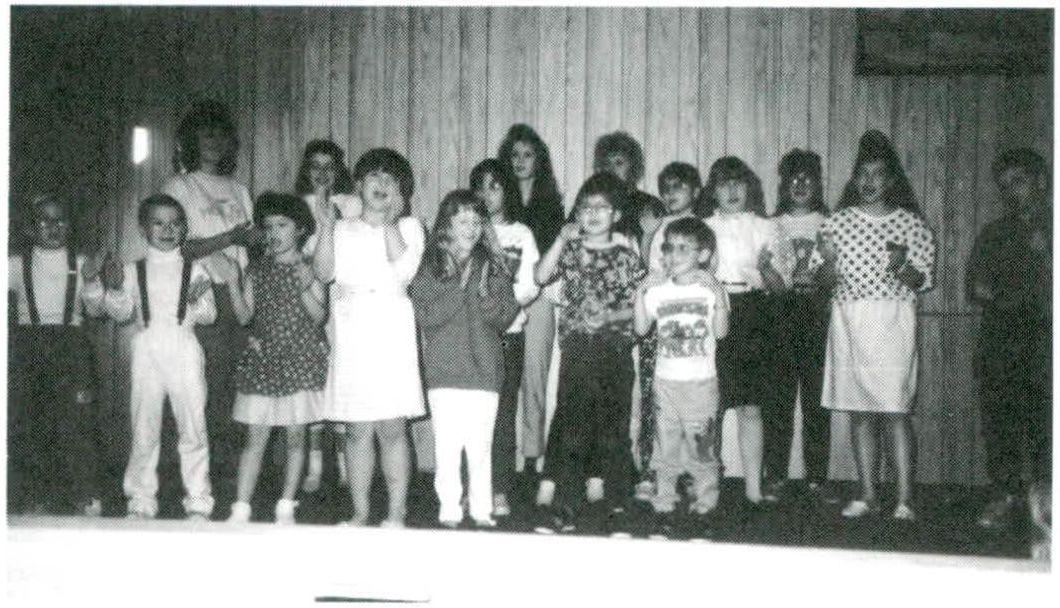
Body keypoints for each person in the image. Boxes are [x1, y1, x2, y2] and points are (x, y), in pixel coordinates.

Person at [816, 130, 936, 521]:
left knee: (895, 411)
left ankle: (904, 500)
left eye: (878, 174)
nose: (869, 182)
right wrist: (829, 261)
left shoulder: (912, 225)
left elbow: (921, 281)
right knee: (860, 411)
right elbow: (822, 281)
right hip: (850, 321)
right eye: (863, 174)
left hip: (892, 324)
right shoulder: (836, 223)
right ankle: (867, 494)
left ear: (891, 180)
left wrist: (900, 266)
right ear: (854, 179)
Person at [314, 148, 425, 528]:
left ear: (401, 190)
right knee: (357, 428)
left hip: (391, 327)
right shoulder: (341, 228)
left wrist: (390, 221)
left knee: (392, 426)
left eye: (391, 178)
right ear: (358, 185)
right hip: (352, 330)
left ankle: (396, 512)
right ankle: (360, 512)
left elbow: (406, 271)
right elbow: (324, 273)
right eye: (374, 176)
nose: (382, 184)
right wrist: (325, 227)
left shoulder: (410, 227)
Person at [532, 172, 646, 534]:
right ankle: (566, 504)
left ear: (616, 215)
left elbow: (642, 306)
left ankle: (616, 504)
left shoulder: (626, 256)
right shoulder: (570, 250)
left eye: (602, 207)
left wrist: (610, 316)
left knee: (614, 429)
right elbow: (540, 276)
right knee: (572, 426)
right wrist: (559, 239)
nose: (593, 213)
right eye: (586, 207)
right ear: (577, 214)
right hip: (578, 349)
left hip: (614, 350)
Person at [161, 100, 259, 494]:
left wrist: (251, 246)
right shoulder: (179, 187)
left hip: (237, 294)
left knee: (236, 381)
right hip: (200, 295)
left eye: (220, 135)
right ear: (191, 141)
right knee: (201, 383)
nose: (214, 142)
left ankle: (228, 470)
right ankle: (190, 471)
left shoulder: (239, 190)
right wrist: (229, 238)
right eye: (205, 135)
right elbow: (175, 246)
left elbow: (249, 246)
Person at [102, 194, 217, 520]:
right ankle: (140, 498)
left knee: (193, 425)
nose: (167, 230)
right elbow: (121, 313)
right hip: (147, 348)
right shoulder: (131, 269)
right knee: (144, 425)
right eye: (158, 223)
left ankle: (198, 498)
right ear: (143, 229)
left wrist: (196, 303)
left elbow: (209, 315)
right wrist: (115, 289)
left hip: (184, 347)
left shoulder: (196, 269)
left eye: (175, 223)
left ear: (184, 228)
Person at [410, 190, 520, 528]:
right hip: (444, 373)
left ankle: (482, 509)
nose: (471, 229)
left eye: (477, 221)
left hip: (485, 373)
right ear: (446, 225)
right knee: (447, 447)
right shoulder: (431, 266)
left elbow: (505, 315)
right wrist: (459, 287)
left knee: (481, 447)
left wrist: (487, 296)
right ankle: (449, 508)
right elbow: (426, 316)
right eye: (463, 221)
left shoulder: (493, 264)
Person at [226, 193, 328, 525]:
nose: (273, 233)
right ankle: (241, 506)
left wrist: (306, 285)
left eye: (282, 226)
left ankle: (286, 504)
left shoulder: (311, 268)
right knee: (255, 438)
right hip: (265, 360)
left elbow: (319, 316)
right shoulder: (257, 269)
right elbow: (245, 316)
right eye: (268, 227)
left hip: (299, 359)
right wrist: (233, 282)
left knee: (296, 437)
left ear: (300, 229)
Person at [966, 148, 1051, 529]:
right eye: (1004, 186)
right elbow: (976, 288)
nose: (1011, 192)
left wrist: (1044, 258)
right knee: (1000, 429)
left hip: (1045, 345)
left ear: (1041, 181)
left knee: (1046, 429)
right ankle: (1004, 498)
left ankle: (1047, 507)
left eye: (1019, 181)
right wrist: (1017, 294)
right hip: (1000, 345)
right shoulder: (994, 233)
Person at [7, 194, 106, 516]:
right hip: (29, 345)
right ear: (30, 228)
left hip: (71, 346)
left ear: (70, 226)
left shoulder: (80, 261)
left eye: (60, 220)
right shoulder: (16, 263)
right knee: (31, 420)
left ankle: (85, 494)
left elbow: (95, 309)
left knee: (76, 421)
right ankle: (35, 496)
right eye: (44, 221)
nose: (53, 227)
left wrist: (92, 281)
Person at [699, 156, 785, 510]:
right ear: (712, 192)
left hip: (752, 316)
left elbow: (780, 287)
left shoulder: (766, 228)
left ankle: (753, 489)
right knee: (710, 407)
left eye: (738, 182)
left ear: (750, 187)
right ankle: (707, 487)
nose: (732, 190)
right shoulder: (702, 227)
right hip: (711, 312)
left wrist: (766, 271)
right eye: (723, 184)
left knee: (751, 407)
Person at [635, 217, 729, 536]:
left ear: (703, 255)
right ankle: (665, 498)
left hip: (701, 384)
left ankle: (706, 500)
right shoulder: (659, 291)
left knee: (702, 446)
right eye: (668, 248)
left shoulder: (709, 291)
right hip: (666, 382)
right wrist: (640, 291)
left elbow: (722, 332)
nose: (673, 255)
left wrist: (718, 293)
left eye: (683, 249)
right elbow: (640, 329)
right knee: (666, 444)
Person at [470, 158, 541, 518]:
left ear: (507, 191)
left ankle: (499, 487)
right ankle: (472, 487)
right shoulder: (466, 229)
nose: (486, 194)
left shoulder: (521, 234)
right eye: (479, 186)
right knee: (472, 415)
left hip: (507, 335)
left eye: (494, 186)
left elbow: (530, 285)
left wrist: (503, 306)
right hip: (471, 336)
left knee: (502, 414)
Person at [760, 149, 832, 503]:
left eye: (808, 178)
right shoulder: (770, 224)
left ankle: (816, 476)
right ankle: (775, 474)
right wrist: (769, 273)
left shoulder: (830, 223)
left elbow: (834, 276)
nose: (800, 184)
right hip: (780, 315)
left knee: (816, 400)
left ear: (818, 184)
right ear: (784, 185)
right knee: (778, 398)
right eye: (794, 178)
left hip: (817, 314)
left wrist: (822, 277)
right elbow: (768, 275)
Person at [496, 124, 564, 474]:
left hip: (538, 299)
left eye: (528, 155)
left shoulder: (551, 205)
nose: (520, 161)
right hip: (499, 299)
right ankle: (499, 458)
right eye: (514, 155)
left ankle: (533, 455)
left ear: (539, 160)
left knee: (534, 377)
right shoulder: (496, 204)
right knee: (501, 379)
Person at [292, 139, 359, 493]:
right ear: (306, 170)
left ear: (339, 171)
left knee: (341, 374)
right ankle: (315, 467)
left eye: (329, 167)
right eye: (314, 166)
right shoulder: (296, 206)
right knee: (313, 377)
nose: (321, 173)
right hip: (308, 295)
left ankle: (348, 467)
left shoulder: (351, 205)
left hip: (343, 299)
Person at [635, 161, 702, 501]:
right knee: (654, 397)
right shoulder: (657, 225)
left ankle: (692, 472)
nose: (671, 193)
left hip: (691, 324)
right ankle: (652, 469)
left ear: (696, 191)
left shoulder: (705, 227)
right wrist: (648, 235)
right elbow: (643, 270)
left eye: (680, 186)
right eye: (666, 188)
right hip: (658, 323)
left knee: (695, 400)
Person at [592, 131, 666, 252]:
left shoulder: (649, 204)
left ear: (633, 167)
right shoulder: (590, 202)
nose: (611, 170)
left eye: (619, 163)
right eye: (606, 164)